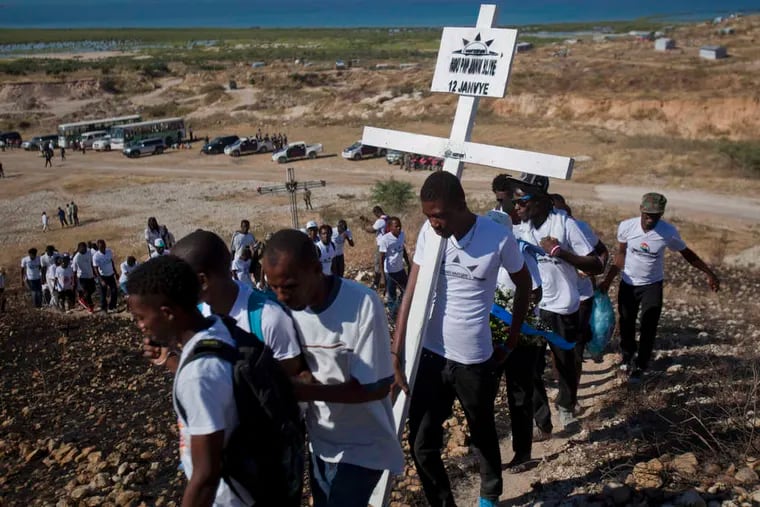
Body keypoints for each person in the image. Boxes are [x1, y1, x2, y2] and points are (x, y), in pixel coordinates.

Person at [392, 172, 532, 507]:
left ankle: (489, 494)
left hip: (473, 357)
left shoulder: (497, 238)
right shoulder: (430, 233)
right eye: (428, 216)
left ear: (460, 205)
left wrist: (512, 338)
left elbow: (524, 284)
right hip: (431, 353)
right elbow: (410, 291)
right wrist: (396, 352)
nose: (433, 223)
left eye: (438, 215)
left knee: (481, 431)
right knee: (422, 443)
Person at [263, 229, 404, 507]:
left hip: (364, 445)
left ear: (316, 269)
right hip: (321, 443)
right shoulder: (283, 311)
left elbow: (374, 388)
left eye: (289, 286)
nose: (280, 296)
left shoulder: (362, 303)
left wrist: (306, 390)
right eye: (273, 287)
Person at [126, 255, 255, 506]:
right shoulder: (220, 327)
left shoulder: (198, 374)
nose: (140, 326)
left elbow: (206, 474)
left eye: (141, 317)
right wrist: (169, 360)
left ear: (167, 313)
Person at [512, 180, 603, 432]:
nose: (516, 206)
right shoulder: (520, 229)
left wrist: (560, 252)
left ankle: (565, 405)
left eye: (522, 201)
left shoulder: (566, 225)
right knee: (530, 366)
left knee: (566, 363)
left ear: (540, 200)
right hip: (534, 309)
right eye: (514, 201)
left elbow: (597, 264)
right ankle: (542, 421)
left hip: (563, 307)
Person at [598, 193, 719, 382]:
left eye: (655, 215)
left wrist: (709, 273)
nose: (650, 219)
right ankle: (627, 357)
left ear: (661, 214)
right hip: (629, 282)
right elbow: (620, 254)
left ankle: (641, 364)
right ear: (640, 209)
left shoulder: (668, 232)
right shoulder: (626, 227)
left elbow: (687, 254)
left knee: (649, 325)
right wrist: (608, 280)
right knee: (626, 322)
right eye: (647, 214)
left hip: (652, 285)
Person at [167, 230, 303, 376]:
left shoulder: (269, 319)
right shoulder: (196, 314)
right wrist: (168, 358)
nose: (175, 290)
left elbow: (289, 379)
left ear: (202, 281)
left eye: (180, 282)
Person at [551, 194, 609, 367]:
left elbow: (602, 252)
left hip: (582, 294)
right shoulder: (543, 229)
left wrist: (593, 270)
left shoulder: (579, 227)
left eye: (563, 212)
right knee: (558, 344)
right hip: (555, 297)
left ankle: (571, 386)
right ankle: (564, 383)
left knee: (576, 341)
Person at [377, 217, 410, 311]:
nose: (399, 228)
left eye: (400, 226)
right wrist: (383, 277)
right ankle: (392, 315)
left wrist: (408, 263)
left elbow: (402, 249)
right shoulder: (385, 240)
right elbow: (381, 258)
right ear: (391, 227)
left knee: (406, 291)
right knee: (392, 296)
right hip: (390, 273)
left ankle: (399, 308)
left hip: (400, 270)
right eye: (396, 226)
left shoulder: (401, 235)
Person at [359, 206, 389, 291]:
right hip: (387, 244)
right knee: (385, 264)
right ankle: (386, 282)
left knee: (378, 264)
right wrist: (367, 220)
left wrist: (364, 228)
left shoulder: (380, 221)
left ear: (376, 213)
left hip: (381, 246)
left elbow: (372, 229)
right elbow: (376, 224)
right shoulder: (387, 218)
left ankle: (377, 283)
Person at [92, 239, 119, 313]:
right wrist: (101, 280)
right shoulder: (96, 256)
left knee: (114, 290)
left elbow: (111, 262)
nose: (103, 247)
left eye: (104, 245)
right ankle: (104, 309)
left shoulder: (109, 251)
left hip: (111, 275)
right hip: (103, 276)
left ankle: (112, 306)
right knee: (103, 293)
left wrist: (115, 272)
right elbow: (95, 269)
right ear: (98, 247)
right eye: (101, 246)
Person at [73, 242, 96, 312]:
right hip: (82, 277)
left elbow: (91, 263)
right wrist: (75, 281)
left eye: (86, 248)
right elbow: (74, 271)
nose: (85, 250)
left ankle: (82, 299)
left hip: (90, 275)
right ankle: (90, 307)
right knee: (87, 291)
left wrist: (94, 272)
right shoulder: (76, 258)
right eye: (83, 249)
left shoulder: (88, 252)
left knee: (93, 289)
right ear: (79, 249)